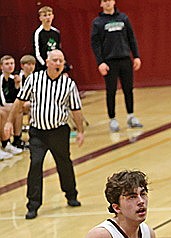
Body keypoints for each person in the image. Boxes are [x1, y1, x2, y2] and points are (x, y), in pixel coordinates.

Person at [2, 50, 84, 220]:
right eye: (55, 60)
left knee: (64, 163)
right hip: (38, 132)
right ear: (47, 62)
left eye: (61, 60)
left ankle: (71, 195)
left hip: (59, 131)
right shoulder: (34, 79)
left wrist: (81, 131)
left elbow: (76, 109)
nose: (58, 63)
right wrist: (9, 122)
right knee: (35, 165)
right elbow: (19, 102)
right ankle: (33, 205)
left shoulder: (69, 84)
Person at [90, 0, 142, 133]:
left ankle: (131, 116)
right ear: (101, 4)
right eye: (104, 1)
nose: (107, 3)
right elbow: (96, 44)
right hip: (109, 62)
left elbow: (131, 38)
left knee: (128, 89)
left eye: (109, 0)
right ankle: (112, 119)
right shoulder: (98, 22)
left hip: (125, 59)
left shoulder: (123, 18)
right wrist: (100, 62)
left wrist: (136, 56)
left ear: (114, 2)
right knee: (111, 90)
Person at [0, 55, 24, 157]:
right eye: (7, 64)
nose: (10, 66)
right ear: (1, 67)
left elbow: (18, 98)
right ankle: (5, 143)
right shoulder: (0, 79)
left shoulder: (13, 78)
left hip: (7, 106)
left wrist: (17, 85)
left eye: (12, 63)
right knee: (3, 112)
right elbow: (2, 99)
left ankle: (17, 140)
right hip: (3, 106)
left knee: (18, 110)